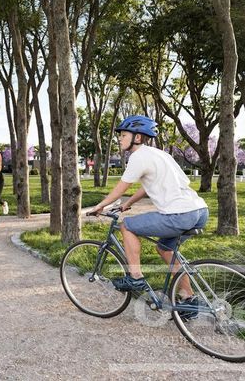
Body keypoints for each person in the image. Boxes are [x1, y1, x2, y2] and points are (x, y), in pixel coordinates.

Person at [88, 115, 208, 308]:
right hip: (199, 211)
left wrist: (100, 206)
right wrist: (128, 203)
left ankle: (135, 277)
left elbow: (121, 188)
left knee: (126, 226)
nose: (119, 139)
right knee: (165, 249)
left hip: (179, 214)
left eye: (123, 135)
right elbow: (147, 186)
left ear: (137, 137)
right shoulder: (160, 154)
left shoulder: (138, 157)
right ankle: (189, 300)